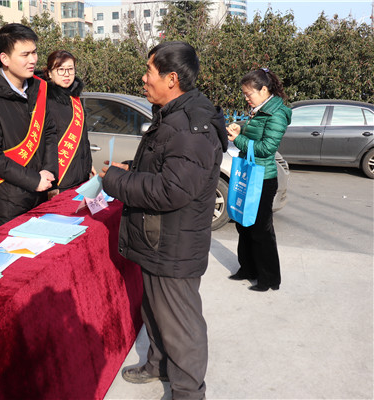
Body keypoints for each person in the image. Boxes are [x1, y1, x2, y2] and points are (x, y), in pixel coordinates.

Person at [100, 41, 227, 399]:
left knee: (181, 325)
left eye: (149, 72)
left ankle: (188, 392)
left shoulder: (190, 126)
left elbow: (173, 189)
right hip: (159, 238)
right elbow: (164, 168)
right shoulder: (172, 115)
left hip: (174, 243)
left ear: (172, 79)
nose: (144, 79)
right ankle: (158, 364)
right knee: (155, 311)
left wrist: (117, 181)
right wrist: (131, 170)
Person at [0, 23, 58, 229]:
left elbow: (49, 133)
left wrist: (49, 172)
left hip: (41, 190)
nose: (33, 60)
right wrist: (33, 180)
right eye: (25, 54)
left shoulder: (38, 88)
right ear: (5, 58)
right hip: (7, 199)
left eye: (34, 52)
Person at [226, 68, 291, 292]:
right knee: (243, 224)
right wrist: (241, 126)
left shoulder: (277, 114)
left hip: (263, 179)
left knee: (261, 230)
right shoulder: (260, 110)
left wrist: (238, 139)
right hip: (250, 174)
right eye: (244, 94)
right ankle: (248, 269)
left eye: (249, 94)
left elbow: (266, 148)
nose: (246, 98)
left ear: (264, 90)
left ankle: (269, 279)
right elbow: (256, 129)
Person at [42, 50, 93, 192]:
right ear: (50, 73)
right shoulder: (45, 101)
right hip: (60, 182)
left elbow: (83, 139)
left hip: (81, 177)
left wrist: (88, 165)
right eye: (60, 69)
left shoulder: (75, 99)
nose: (66, 74)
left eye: (70, 69)